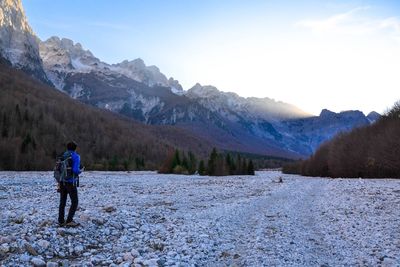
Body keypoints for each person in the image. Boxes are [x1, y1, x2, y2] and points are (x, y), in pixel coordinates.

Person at [58, 141, 82, 227]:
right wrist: (80, 171)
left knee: (62, 202)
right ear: (75, 148)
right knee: (75, 202)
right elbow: (75, 170)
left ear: (67, 148)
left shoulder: (63, 155)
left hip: (61, 181)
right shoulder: (76, 156)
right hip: (71, 182)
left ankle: (61, 221)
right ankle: (69, 220)